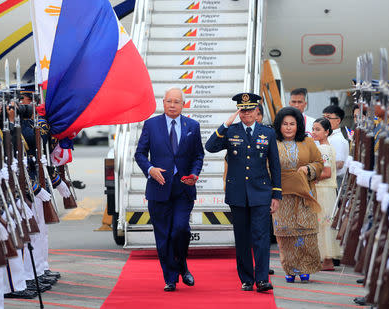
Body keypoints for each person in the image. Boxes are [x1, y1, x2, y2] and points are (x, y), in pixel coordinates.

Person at [205, 93, 281, 292]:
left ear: (257, 111)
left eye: (249, 110)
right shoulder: (231, 131)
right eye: (242, 110)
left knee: (261, 237)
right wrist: (225, 125)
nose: (246, 114)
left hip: (261, 193)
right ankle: (247, 278)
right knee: (242, 238)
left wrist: (276, 194)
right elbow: (210, 147)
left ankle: (262, 279)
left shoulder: (268, 133)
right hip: (238, 194)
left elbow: (275, 165)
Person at [134, 87, 204, 292]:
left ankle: (182, 265)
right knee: (163, 235)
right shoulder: (151, 125)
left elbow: (198, 155)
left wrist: (194, 174)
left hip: (183, 189)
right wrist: (150, 169)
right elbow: (139, 154)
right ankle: (171, 277)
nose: (172, 105)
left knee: (180, 230)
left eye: (177, 102)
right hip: (159, 188)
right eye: (169, 101)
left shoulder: (192, 125)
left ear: (183, 105)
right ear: (163, 103)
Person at [272, 107, 324, 283]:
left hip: (304, 194)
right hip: (282, 196)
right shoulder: (273, 142)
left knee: (306, 233)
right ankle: (290, 268)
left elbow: (319, 163)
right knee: (286, 235)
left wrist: (308, 169)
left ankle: (305, 267)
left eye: (292, 124)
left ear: (298, 125)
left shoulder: (307, 142)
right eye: (284, 124)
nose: (288, 128)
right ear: (279, 126)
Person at [311, 118, 341, 271]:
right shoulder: (328, 147)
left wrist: (310, 176)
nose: (314, 132)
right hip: (328, 190)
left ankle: (327, 260)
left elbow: (327, 172)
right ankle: (327, 259)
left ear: (327, 132)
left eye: (317, 129)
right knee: (326, 223)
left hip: (323, 190)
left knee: (323, 224)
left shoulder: (323, 149)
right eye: (313, 129)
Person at [322, 105, 349, 188]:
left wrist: (319, 169)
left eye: (328, 118)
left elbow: (339, 163)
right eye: (323, 117)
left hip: (335, 181)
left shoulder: (337, 139)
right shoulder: (329, 136)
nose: (324, 121)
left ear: (338, 120)